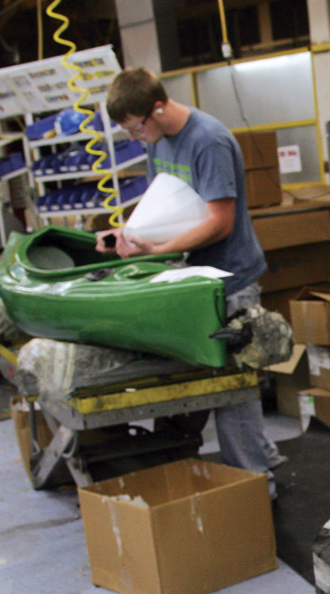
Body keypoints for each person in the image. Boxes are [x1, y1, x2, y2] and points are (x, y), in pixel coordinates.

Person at [95, 68, 285, 493]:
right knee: (217, 380)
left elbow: (220, 222)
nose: (136, 138)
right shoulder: (159, 139)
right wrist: (129, 234)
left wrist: (157, 250)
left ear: (158, 108)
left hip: (229, 280)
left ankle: (257, 486)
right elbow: (165, 205)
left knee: (233, 389)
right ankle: (264, 455)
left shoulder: (208, 141)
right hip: (194, 276)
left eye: (136, 128)